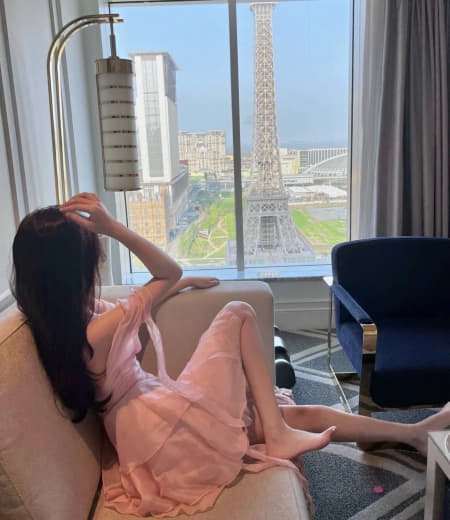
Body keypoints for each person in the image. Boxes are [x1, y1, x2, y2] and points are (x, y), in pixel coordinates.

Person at [11, 192, 450, 518]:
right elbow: (167, 271)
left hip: (150, 420)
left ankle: (414, 433)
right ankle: (281, 433)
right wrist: (115, 227)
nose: (100, 262)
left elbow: (150, 293)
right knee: (239, 312)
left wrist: (180, 286)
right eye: (94, 255)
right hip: (159, 432)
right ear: (73, 271)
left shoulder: (71, 322)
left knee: (300, 413)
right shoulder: (96, 331)